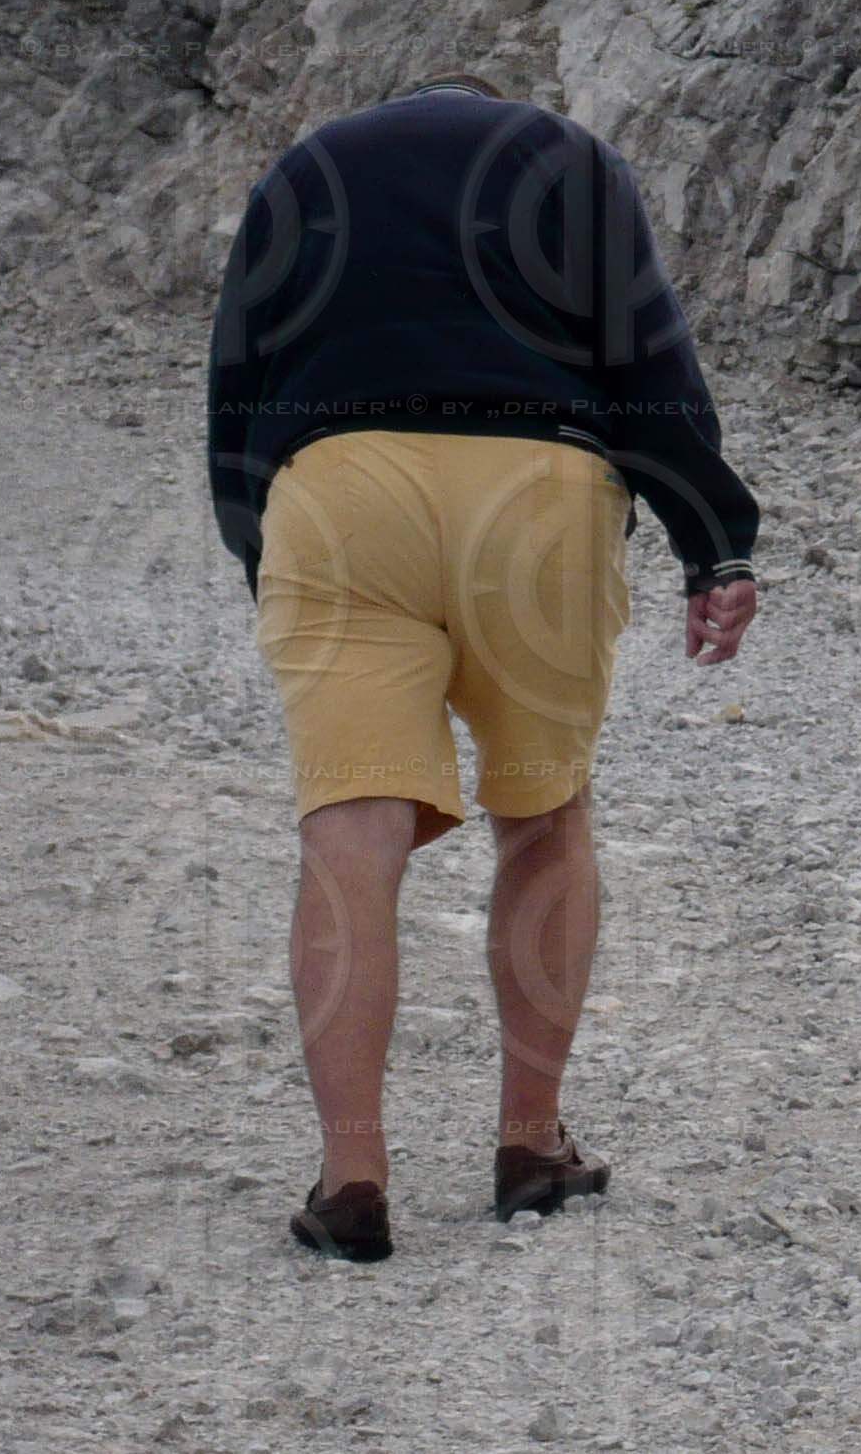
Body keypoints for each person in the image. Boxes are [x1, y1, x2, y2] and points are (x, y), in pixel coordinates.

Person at [208, 73, 763, 1262]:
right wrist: (714, 540)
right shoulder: (567, 158)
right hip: (538, 490)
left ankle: (351, 1172)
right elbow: (646, 352)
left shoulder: (305, 167)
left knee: (349, 824)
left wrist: (262, 542)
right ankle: (530, 1142)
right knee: (543, 811)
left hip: (338, 488)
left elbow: (237, 375)